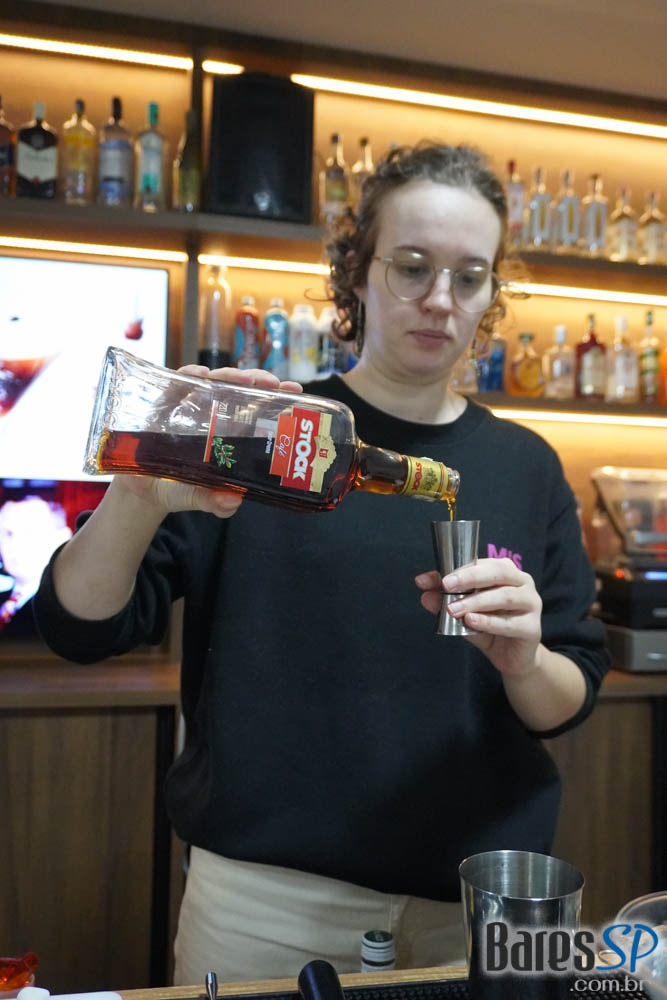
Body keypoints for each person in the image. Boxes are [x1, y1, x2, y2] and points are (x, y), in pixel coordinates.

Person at [34, 142, 610, 985]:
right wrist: (137, 494)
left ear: (491, 294)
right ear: (357, 273)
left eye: (469, 277)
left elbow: (566, 697)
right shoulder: (269, 437)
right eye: (410, 267)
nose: (439, 300)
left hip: (474, 904)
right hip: (266, 903)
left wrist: (524, 660)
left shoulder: (527, 465)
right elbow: (81, 630)